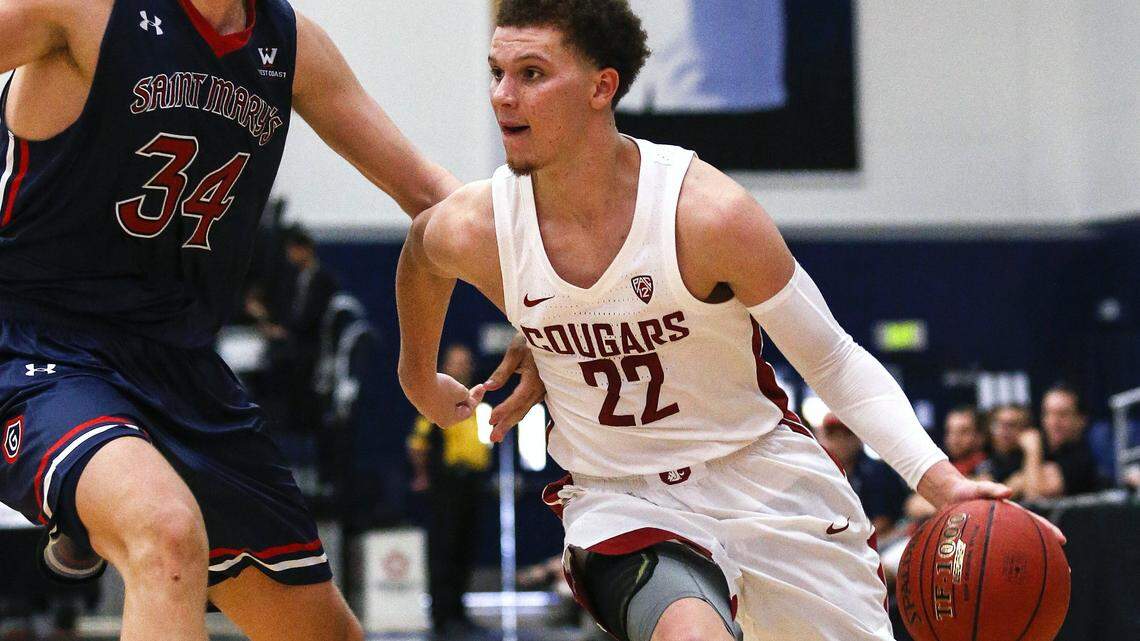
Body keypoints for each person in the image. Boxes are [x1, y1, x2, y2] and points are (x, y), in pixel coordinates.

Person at [395, 2, 1063, 639]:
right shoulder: (483, 224)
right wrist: (416, 374)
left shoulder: (707, 215)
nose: (503, 95)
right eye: (497, 72)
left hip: (761, 482)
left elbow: (830, 359)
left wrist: (939, 479)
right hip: (621, 501)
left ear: (601, 87)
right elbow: (422, 252)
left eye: (532, 73)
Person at [0, 1, 541, 639]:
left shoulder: (290, 45)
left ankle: (87, 512)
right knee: (166, 534)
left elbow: (429, 194)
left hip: (182, 365)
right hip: (41, 340)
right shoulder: (85, 11)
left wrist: (549, 310)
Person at [406, 344, 491, 639]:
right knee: (445, 548)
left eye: (466, 361)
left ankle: (459, 612)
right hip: (448, 483)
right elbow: (418, 443)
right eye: (457, 362)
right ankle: (442, 617)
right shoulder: (439, 400)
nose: (463, 366)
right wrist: (423, 476)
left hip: (473, 482)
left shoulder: (478, 400)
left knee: (466, 547)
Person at [816, 414, 909, 540]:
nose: (840, 441)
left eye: (847, 434)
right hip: (836, 540)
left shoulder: (879, 471)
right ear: (822, 438)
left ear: (858, 438)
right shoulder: (819, 472)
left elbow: (882, 522)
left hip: (880, 542)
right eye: (833, 435)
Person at [1037, 384, 1103, 496]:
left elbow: (1036, 496)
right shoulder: (1043, 450)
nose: (1054, 422)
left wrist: (1032, 451)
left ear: (1081, 420)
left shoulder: (1084, 458)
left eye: (1062, 415)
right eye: (1048, 413)